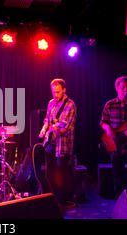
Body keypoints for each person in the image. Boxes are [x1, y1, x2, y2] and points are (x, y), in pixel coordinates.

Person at [38, 78, 77, 212]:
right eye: (54, 92)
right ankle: (54, 199)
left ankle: (64, 201)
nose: (55, 95)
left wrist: (56, 127)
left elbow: (65, 127)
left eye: (58, 92)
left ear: (64, 90)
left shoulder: (70, 105)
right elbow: (47, 120)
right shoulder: (51, 103)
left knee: (62, 173)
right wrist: (44, 128)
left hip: (63, 143)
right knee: (50, 172)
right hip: (50, 141)